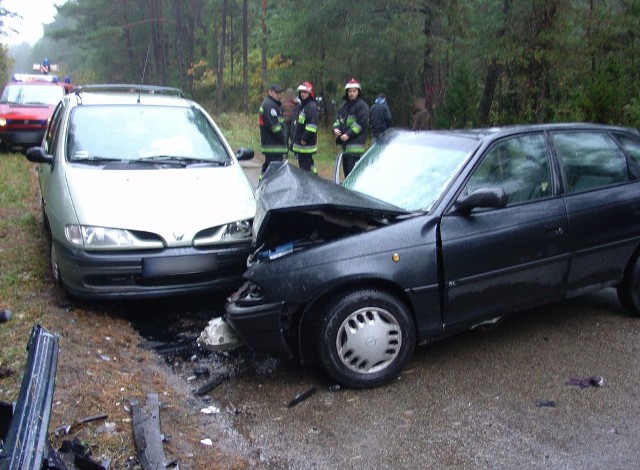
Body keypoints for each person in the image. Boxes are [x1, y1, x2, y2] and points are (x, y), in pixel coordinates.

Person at [332, 78, 370, 177]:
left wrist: (348, 134)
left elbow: (361, 123)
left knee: (353, 174)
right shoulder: (344, 106)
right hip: (345, 147)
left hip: (356, 147)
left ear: (358, 92)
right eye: (350, 91)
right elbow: (338, 119)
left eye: (354, 91)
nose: (352, 93)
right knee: (346, 173)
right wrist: (335, 129)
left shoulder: (362, 106)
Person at [258, 84, 287, 180]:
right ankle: (267, 188)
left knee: (267, 168)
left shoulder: (273, 105)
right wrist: (283, 137)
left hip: (273, 145)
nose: (278, 95)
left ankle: (261, 184)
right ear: (270, 92)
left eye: (279, 93)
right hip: (273, 145)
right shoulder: (269, 106)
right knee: (274, 172)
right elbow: (274, 127)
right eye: (276, 92)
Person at [291, 81, 319, 173]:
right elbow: (297, 125)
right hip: (300, 143)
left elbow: (312, 126)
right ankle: (314, 179)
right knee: (307, 164)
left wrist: (304, 138)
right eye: (301, 92)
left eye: (305, 92)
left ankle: (311, 182)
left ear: (310, 93)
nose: (303, 94)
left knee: (305, 167)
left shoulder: (311, 106)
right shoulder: (300, 106)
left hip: (306, 144)